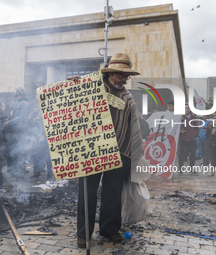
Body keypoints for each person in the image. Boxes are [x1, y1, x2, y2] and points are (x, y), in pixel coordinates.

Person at [75, 53, 144, 248]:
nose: (124, 79)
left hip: (119, 152)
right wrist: (72, 86)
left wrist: (132, 156)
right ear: (110, 73)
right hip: (92, 149)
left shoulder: (127, 96)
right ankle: (83, 234)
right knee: (87, 192)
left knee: (113, 193)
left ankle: (109, 229)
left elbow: (132, 127)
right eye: (121, 75)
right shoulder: (90, 87)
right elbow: (71, 103)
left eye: (126, 76)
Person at [3, 87, 29, 178]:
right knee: (10, 151)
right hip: (10, 132)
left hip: (19, 131)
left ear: (18, 92)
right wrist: (5, 122)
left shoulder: (24, 104)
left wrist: (9, 123)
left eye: (14, 90)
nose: (13, 91)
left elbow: (22, 117)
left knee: (19, 151)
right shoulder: (13, 103)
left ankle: (21, 172)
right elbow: (9, 116)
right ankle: (11, 171)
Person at [178, 104, 200, 175]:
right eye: (185, 108)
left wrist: (194, 134)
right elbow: (176, 127)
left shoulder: (194, 117)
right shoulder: (180, 117)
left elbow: (196, 128)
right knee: (181, 154)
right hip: (183, 138)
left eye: (188, 108)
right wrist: (180, 131)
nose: (186, 109)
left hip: (192, 139)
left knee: (192, 154)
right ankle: (180, 169)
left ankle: (191, 169)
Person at [207, 105, 216, 176]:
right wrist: (210, 127)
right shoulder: (211, 120)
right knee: (212, 156)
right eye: (214, 113)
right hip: (213, 140)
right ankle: (212, 171)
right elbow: (207, 131)